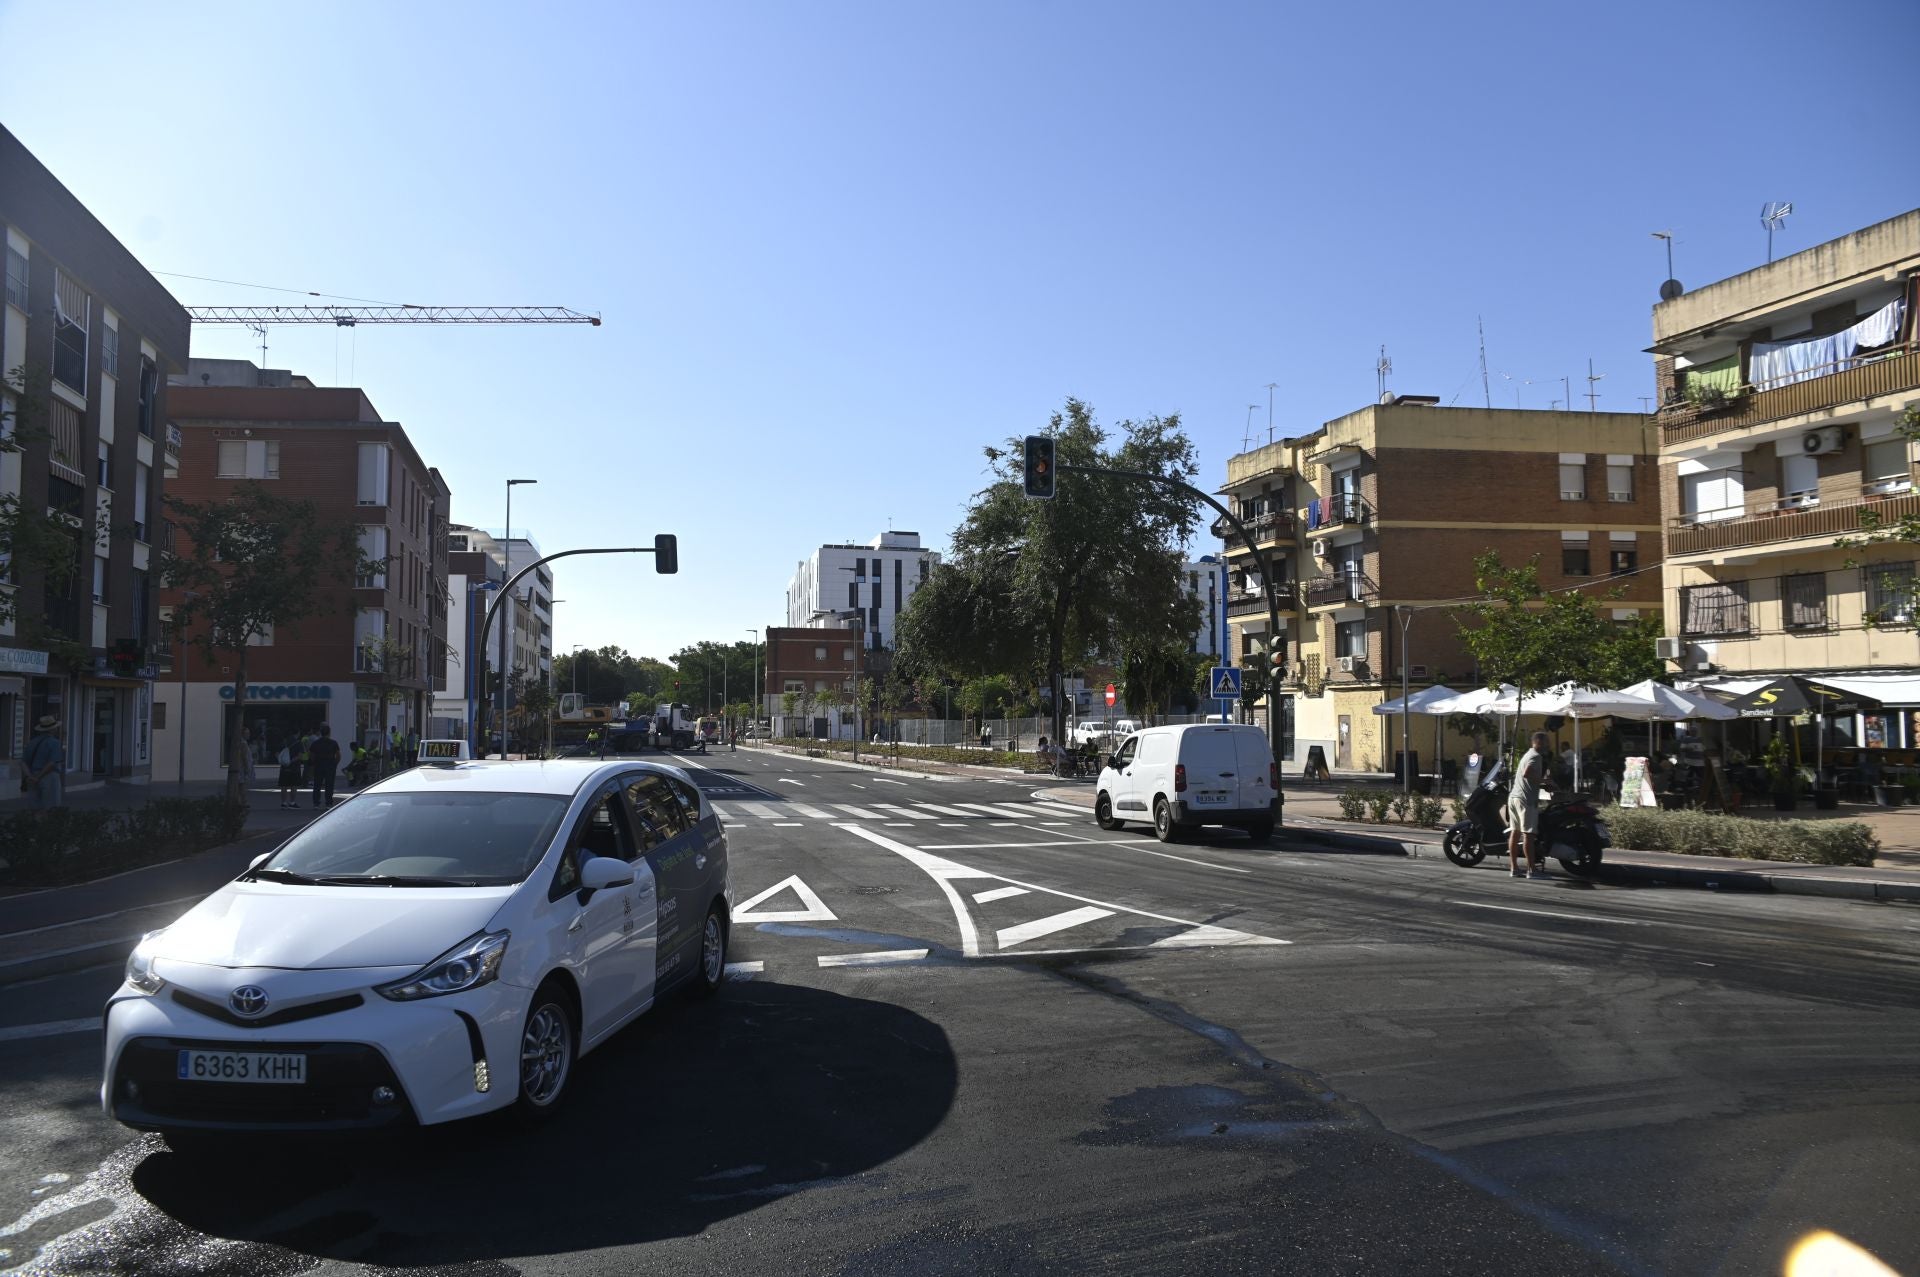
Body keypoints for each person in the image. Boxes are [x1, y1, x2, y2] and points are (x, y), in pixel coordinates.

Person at [1506, 731, 1553, 879]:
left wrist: (1541, 782)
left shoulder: (1528, 754)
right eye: (1546, 742)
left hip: (1514, 797)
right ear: (1538, 742)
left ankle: (1514, 868)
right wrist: (1546, 782)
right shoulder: (1536, 756)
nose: (1548, 745)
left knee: (1515, 833)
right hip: (1526, 800)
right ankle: (1532, 870)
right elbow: (1527, 774)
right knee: (1528, 835)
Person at [20, 714, 65, 809]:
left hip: (32, 776)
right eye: (55, 728)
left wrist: (30, 776)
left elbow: (23, 762)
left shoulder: (32, 742)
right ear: (52, 729)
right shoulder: (54, 742)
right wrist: (38, 777)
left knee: (36, 809)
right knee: (51, 808)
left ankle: (36, 823)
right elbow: (52, 763)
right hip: (49, 776)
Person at [308, 724, 342, 808]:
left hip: (319, 765)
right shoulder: (333, 743)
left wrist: (315, 762)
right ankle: (328, 803)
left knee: (317, 785)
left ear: (321, 733)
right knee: (329, 785)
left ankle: (316, 803)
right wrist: (335, 764)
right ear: (329, 733)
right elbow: (338, 755)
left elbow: (311, 755)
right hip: (330, 765)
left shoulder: (316, 743)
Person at [276, 734, 303, 809]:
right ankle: (292, 802)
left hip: (284, 768)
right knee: (293, 786)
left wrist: (283, 762)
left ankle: (283, 803)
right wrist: (290, 761)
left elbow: (277, 754)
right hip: (295, 768)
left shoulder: (283, 743)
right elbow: (300, 756)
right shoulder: (298, 743)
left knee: (283, 786)